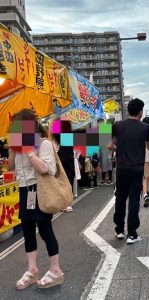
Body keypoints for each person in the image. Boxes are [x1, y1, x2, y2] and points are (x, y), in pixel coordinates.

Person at [8, 109, 64, 290]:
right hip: (24, 190)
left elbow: (46, 169)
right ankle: (32, 270)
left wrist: (29, 151)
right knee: (28, 230)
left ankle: (56, 270)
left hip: (40, 190)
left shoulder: (43, 143)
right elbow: (10, 167)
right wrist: (13, 148)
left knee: (45, 230)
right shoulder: (19, 144)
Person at [107, 98, 149, 244]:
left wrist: (118, 149)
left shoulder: (117, 125)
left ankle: (119, 230)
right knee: (134, 199)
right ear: (140, 111)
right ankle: (132, 233)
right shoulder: (146, 128)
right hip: (138, 167)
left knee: (120, 197)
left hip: (122, 167)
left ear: (128, 110)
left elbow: (109, 145)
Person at [52, 120, 75, 213]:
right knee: (69, 180)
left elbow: (54, 133)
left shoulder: (61, 136)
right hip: (70, 158)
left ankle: (65, 203)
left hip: (62, 158)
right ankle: (68, 203)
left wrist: (56, 122)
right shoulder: (70, 135)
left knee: (63, 180)